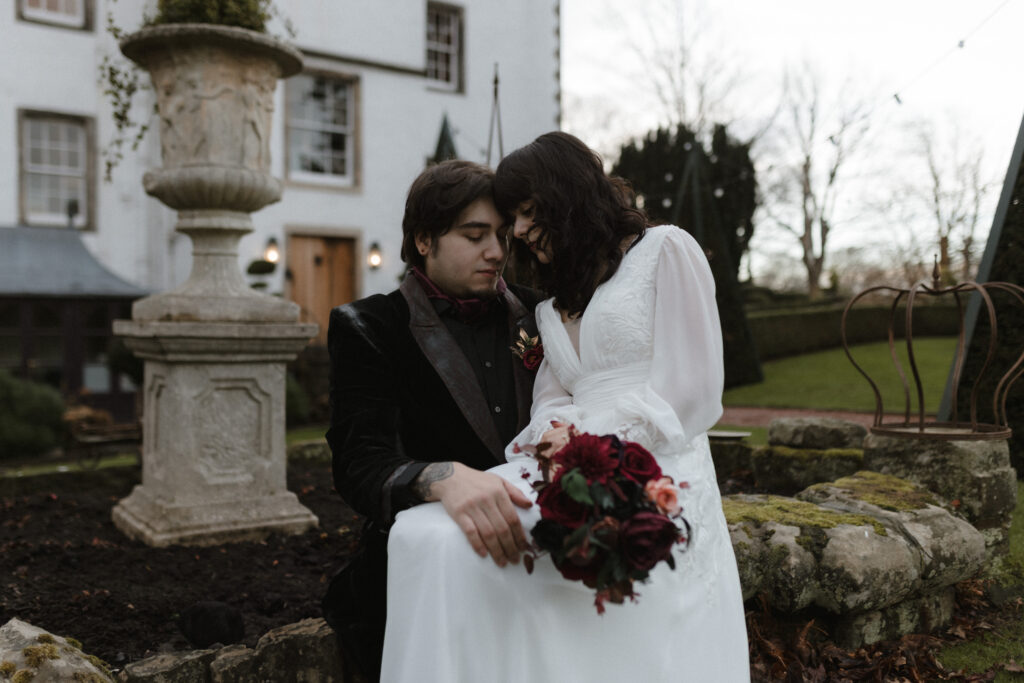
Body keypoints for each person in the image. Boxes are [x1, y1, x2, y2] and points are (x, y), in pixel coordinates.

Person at [381, 132, 750, 682]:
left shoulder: (666, 249)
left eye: (527, 213)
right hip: (565, 463)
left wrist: (601, 454)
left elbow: (694, 391)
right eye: (514, 220)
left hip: (656, 460)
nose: (520, 233)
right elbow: (554, 393)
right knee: (417, 533)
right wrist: (553, 434)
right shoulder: (555, 302)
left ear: (569, 195)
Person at [322, 160, 543, 681]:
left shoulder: (542, 315)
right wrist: (436, 476)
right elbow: (358, 463)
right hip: (425, 576)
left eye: (501, 235)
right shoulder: (368, 326)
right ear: (424, 239)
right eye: (474, 235)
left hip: (539, 566)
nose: (497, 251)